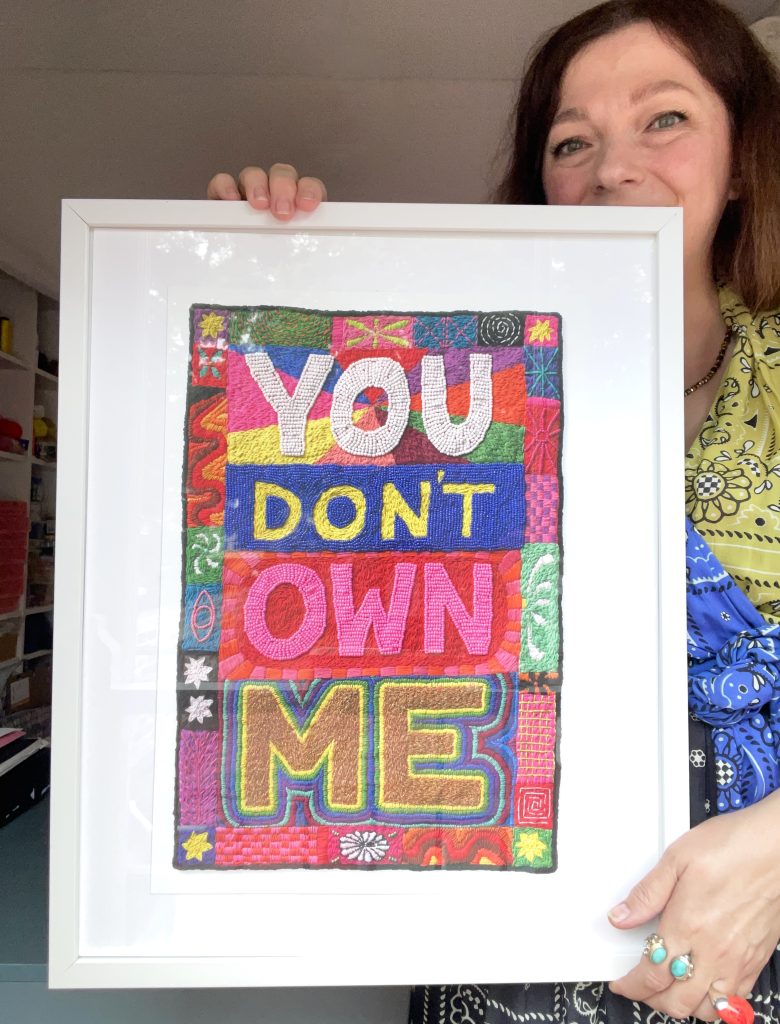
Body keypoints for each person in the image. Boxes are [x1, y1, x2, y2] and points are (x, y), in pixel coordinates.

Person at [207, 1, 780, 1020]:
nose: (611, 169)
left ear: (741, 154)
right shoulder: (451, 385)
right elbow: (336, 584)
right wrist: (257, 266)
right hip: (509, 951)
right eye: (573, 142)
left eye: (665, 119)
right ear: (542, 187)